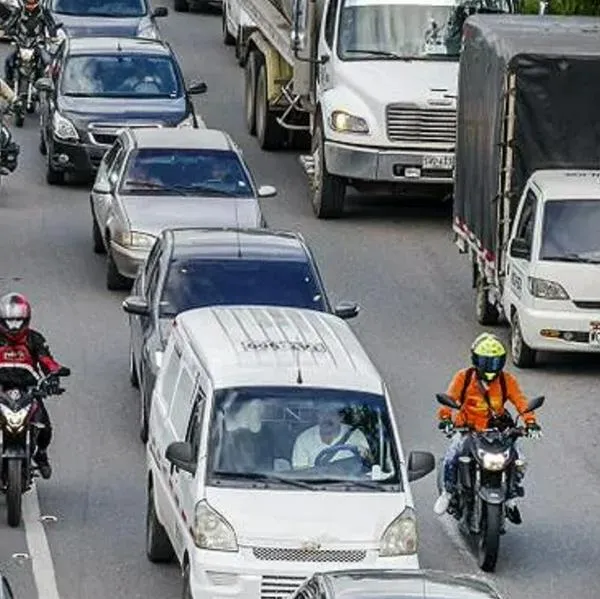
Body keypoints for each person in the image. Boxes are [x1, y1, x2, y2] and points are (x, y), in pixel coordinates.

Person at [434, 333, 542, 524]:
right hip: (467, 430)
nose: (490, 368)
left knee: (519, 460)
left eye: (494, 362)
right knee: (451, 457)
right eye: (486, 361)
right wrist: (446, 419)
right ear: (476, 359)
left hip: (497, 433)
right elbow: (449, 399)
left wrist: (530, 423)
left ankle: (510, 497)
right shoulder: (464, 378)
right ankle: (448, 493)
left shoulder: (506, 380)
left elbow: (521, 402)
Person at [0, 293, 70, 479]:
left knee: (45, 426)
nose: (13, 327)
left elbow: (46, 360)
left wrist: (54, 375)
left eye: (17, 321)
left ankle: (41, 454)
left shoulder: (34, 339)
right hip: (0, 390)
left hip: (29, 391)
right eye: (9, 322)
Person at [292, 402, 371, 469]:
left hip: (352, 484)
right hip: (311, 485)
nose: (326, 418)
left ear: (341, 417)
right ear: (317, 416)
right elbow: (300, 472)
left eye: (332, 413)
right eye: (322, 413)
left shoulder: (355, 435)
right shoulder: (304, 439)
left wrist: (364, 454)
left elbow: (368, 463)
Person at [2, 0, 58, 86]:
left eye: (33, 4)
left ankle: (43, 84)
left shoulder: (43, 12)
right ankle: (9, 82)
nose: (30, 6)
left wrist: (52, 36)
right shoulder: (18, 12)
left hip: (36, 44)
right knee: (9, 61)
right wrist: (7, 30)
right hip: (22, 43)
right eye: (28, 4)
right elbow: (9, 23)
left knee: (46, 61)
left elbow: (51, 25)